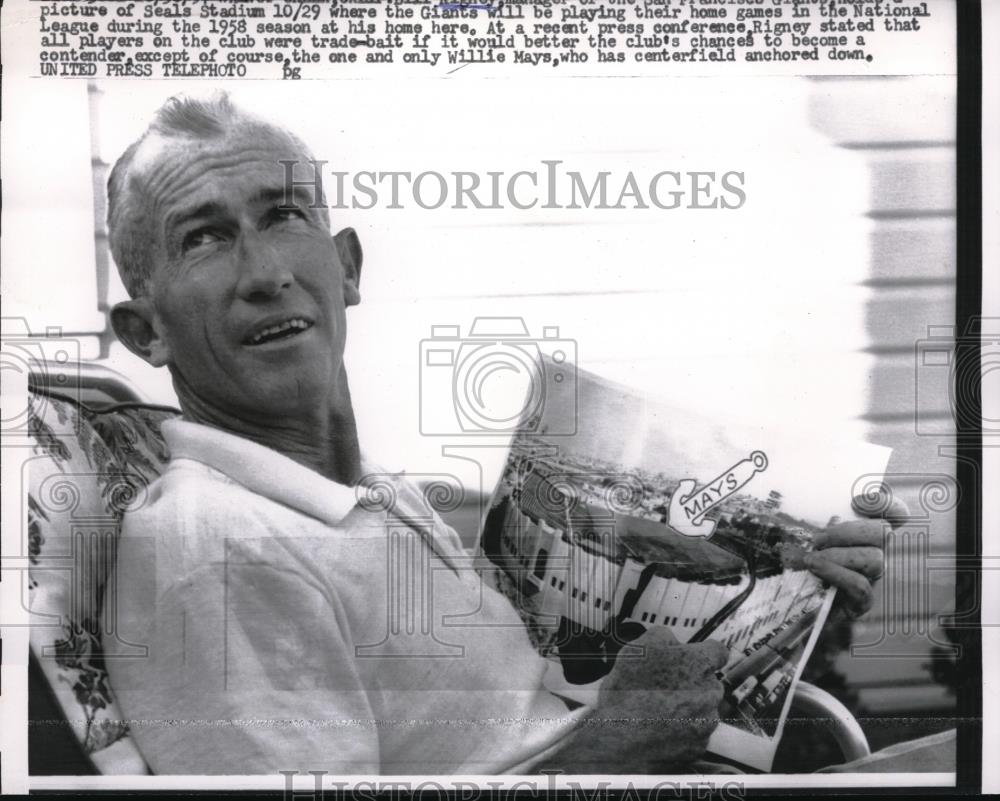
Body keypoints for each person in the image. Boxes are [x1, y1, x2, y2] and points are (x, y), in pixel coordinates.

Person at [103, 93, 888, 775]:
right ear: (146, 334)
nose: (263, 271)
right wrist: (614, 749)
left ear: (346, 267)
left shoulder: (361, 491)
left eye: (283, 215)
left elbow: (517, 704)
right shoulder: (213, 547)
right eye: (202, 237)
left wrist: (792, 603)